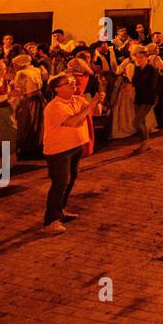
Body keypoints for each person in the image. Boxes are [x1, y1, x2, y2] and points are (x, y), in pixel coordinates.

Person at [41, 73, 102, 234]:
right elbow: (73, 122)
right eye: (68, 83)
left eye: (73, 82)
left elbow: (95, 113)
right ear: (57, 89)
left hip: (75, 146)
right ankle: (50, 221)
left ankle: (60, 210)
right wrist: (91, 105)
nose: (73, 84)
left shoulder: (78, 99)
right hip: (58, 150)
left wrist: (97, 102)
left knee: (70, 180)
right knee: (60, 183)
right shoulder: (54, 106)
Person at [129, 48, 163, 154]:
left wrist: (142, 87)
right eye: (137, 57)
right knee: (142, 121)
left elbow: (153, 86)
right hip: (139, 97)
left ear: (146, 58)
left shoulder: (152, 69)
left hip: (148, 97)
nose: (139, 59)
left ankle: (144, 143)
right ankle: (144, 143)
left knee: (137, 122)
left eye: (141, 57)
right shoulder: (137, 69)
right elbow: (134, 82)